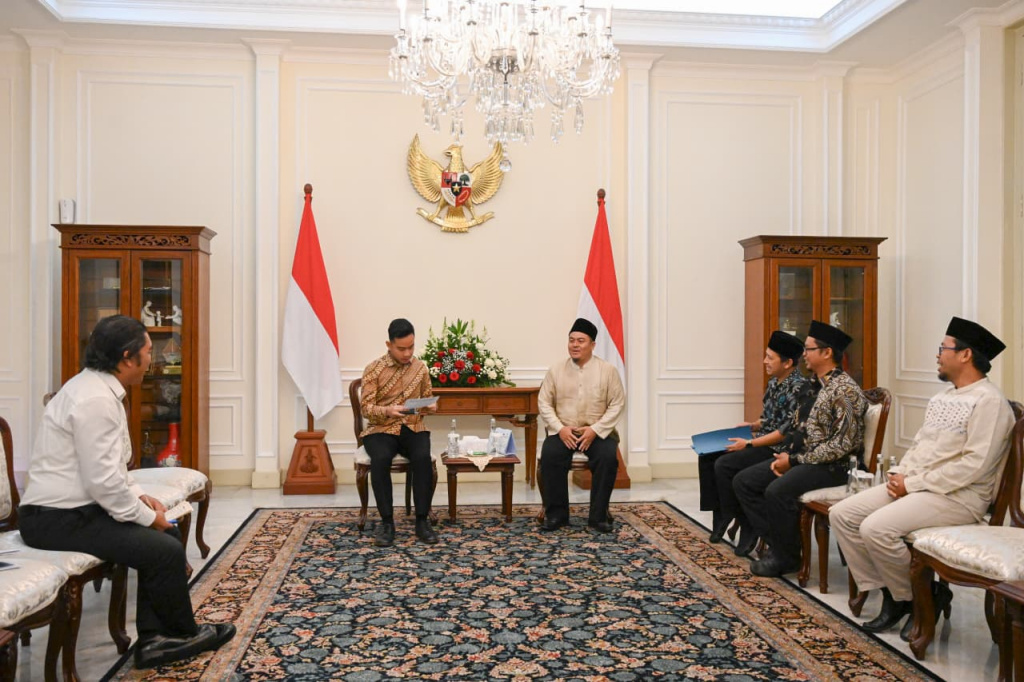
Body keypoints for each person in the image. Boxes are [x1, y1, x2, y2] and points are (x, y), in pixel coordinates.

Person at [18, 315, 235, 670]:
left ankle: (157, 638)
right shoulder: (94, 401)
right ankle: (180, 634)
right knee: (163, 546)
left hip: (76, 510)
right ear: (127, 357)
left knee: (165, 535)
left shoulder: (95, 390)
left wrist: (139, 496)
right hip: (55, 520)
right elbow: (102, 482)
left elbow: (112, 467)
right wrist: (150, 518)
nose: (154, 359)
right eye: (149, 352)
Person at [830, 317, 1014, 637]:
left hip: (959, 497)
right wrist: (900, 474)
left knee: (876, 528)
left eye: (943, 348)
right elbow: (919, 445)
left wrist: (911, 484)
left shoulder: (990, 402)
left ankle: (916, 598)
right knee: (842, 514)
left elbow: (974, 466)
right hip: (918, 487)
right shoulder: (942, 397)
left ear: (965, 355)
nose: (938, 355)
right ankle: (894, 593)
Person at [734, 319, 867, 577]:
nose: (803, 354)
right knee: (745, 481)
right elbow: (798, 428)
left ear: (827, 353)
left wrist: (794, 461)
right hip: (807, 459)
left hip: (835, 466)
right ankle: (782, 544)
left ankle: (787, 557)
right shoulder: (815, 386)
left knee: (776, 491)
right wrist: (790, 455)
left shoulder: (844, 390)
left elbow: (842, 445)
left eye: (809, 349)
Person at [701, 330, 811, 556]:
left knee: (725, 464)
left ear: (788, 362)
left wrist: (750, 444)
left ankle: (746, 521)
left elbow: (785, 432)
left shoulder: (800, 388)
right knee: (707, 455)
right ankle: (722, 513)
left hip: (777, 448)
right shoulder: (774, 383)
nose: (765, 362)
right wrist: (751, 425)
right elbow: (770, 420)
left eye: (770, 358)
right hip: (762, 439)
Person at [538, 318, 626, 533]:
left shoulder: (608, 370)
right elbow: (544, 402)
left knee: (607, 458)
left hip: (597, 433)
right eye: (571, 340)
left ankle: (598, 516)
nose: (575, 345)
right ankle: (556, 515)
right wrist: (560, 428)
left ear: (592, 345)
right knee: (550, 455)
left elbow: (617, 403)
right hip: (565, 431)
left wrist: (595, 430)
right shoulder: (556, 370)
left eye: (580, 341)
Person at [360, 318, 438, 547]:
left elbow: (427, 397)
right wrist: (387, 410)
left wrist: (430, 406)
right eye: (401, 348)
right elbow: (366, 408)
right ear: (389, 344)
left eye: (411, 347)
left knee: (422, 457)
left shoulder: (420, 368)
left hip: (412, 426)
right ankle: (387, 523)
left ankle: (422, 521)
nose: (407, 353)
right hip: (381, 428)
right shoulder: (373, 369)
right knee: (381, 458)